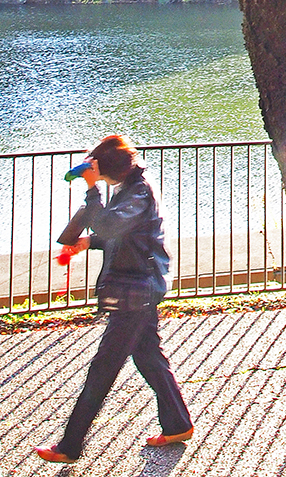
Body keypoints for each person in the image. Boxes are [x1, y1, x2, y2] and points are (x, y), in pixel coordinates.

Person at [36, 135, 193, 464]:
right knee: (150, 357)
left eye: (98, 168)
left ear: (109, 169)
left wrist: (92, 189)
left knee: (102, 370)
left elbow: (109, 225)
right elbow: (128, 234)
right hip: (139, 285)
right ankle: (178, 424)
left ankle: (70, 445)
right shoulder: (133, 185)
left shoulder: (137, 190)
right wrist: (85, 243)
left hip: (135, 290)